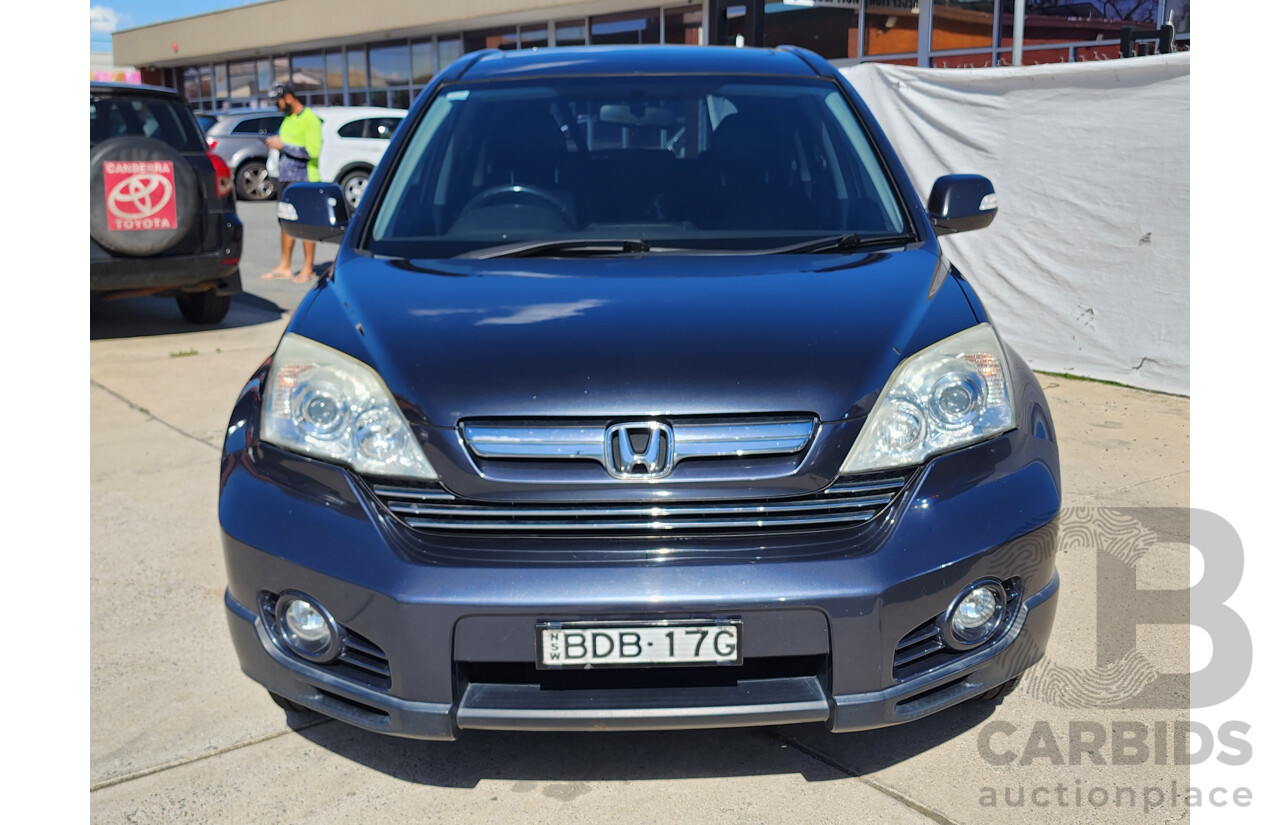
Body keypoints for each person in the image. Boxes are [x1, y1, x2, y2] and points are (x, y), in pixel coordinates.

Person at [261, 82, 323, 283]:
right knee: (286, 223)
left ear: (288, 97)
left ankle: (308, 268)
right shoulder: (288, 119)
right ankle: (285, 265)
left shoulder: (310, 119)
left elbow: (313, 151)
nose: (276, 106)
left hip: (305, 180)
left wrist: (284, 146)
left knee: (305, 225)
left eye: (277, 102)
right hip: (286, 180)